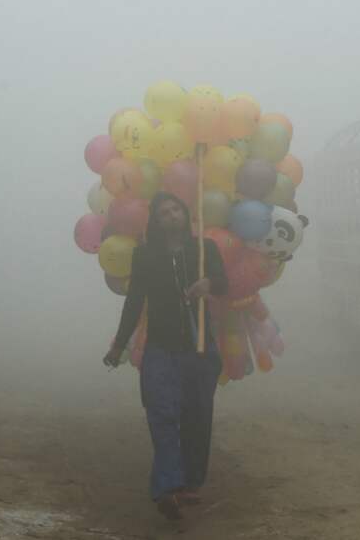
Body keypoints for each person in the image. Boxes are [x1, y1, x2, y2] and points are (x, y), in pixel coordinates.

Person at [103, 192, 227, 520]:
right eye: (164, 213)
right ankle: (166, 487)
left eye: (176, 210)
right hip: (160, 348)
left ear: (185, 215)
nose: (171, 215)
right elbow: (135, 301)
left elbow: (224, 284)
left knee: (197, 417)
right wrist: (119, 345)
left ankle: (189, 482)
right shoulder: (144, 255)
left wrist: (208, 282)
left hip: (200, 349)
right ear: (156, 221)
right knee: (161, 414)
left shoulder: (204, 250)